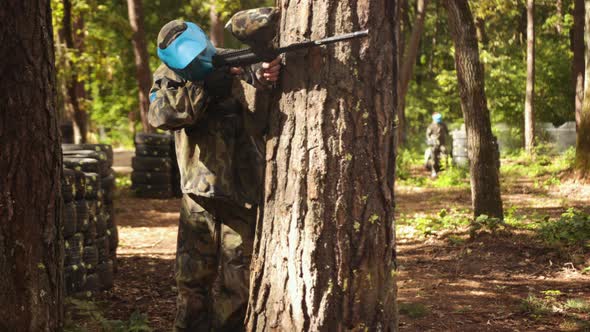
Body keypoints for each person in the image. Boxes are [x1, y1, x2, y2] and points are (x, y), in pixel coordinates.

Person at [147, 15, 280, 331]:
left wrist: (263, 74)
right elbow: (159, 114)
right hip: (198, 194)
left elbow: (262, 82)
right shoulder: (169, 75)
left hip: (244, 192)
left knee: (239, 283)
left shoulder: (230, 60)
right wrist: (203, 89)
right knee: (192, 280)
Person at [425, 112, 449, 177]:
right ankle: (433, 170)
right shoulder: (431, 126)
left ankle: (446, 170)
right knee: (433, 156)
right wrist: (431, 140)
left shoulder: (443, 125)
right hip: (434, 145)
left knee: (445, 153)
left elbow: (447, 132)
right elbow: (428, 135)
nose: (438, 123)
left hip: (442, 144)